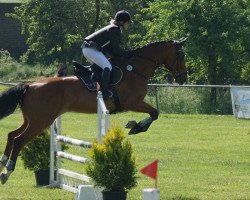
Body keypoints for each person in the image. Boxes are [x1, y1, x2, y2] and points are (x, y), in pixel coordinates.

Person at [82, 10, 133, 100]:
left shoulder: (113, 28)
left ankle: (95, 83)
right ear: (122, 22)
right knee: (107, 66)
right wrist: (128, 54)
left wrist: (123, 53)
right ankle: (104, 93)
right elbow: (116, 50)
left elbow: (110, 49)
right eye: (127, 22)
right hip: (90, 49)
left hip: (89, 48)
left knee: (105, 65)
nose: (128, 25)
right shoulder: (115, 30)